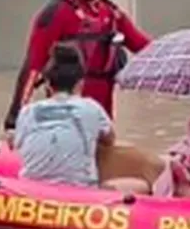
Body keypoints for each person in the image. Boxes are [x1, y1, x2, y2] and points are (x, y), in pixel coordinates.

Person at [3, 0, 152, 140]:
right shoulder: (58, 12)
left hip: (101, 123)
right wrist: (14, 121)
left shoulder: (112, 15)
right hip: (64, 122)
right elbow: (33, 68)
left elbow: (147, 49)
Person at [14, 42, 150, 193]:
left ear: (48, 85)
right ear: (80, 84)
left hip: (30, 191)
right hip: (79, 192)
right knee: (141, 186)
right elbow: (110, 140)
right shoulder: (92, 108)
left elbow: (18, 146)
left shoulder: (27, 112)